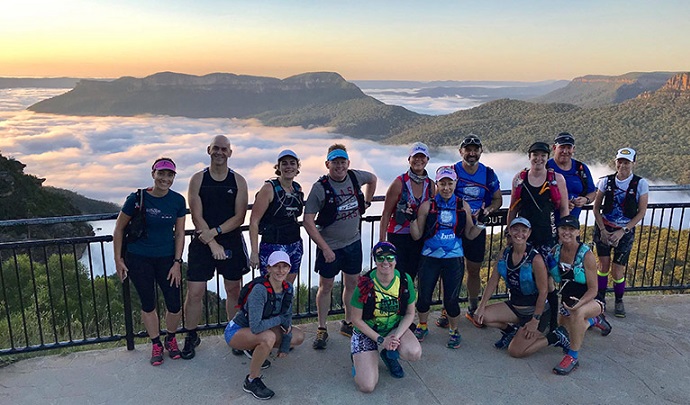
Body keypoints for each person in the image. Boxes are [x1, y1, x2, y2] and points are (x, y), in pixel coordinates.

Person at [508, 216, 612, 376]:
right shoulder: (555, 253)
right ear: (558, 230)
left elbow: (593, 289)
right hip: (567, 301)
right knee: (571, 328)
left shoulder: (586, 255)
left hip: (592, 299)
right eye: (563, 228)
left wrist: (580, 304)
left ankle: (573, 357)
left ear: (578, 232)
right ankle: (594, 321)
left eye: (571, 229)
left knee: (578, 315)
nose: (567, 232)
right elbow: (550, 279)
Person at [181, 135, 250, 359]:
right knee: (195, 293)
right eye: (216, 148)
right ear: (208, 150)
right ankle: (191, 335)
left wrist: (216, 233)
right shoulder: (197, 179)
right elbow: (196, 215)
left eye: (224, 149)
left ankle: (234, 335)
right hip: (203, 242)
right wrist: (212, 242)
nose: (219, 152)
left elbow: (239, 217)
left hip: (229, 240)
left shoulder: (238, 181)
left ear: (230, 153)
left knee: (233, 290)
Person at [113, 157, 186, 366]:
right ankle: (155, 343)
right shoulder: (138, 198)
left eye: (169, 174)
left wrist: (177, 262)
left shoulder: (178, 201)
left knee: (174, 304)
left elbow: (180, 234)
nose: (165, 178)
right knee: (148, 302)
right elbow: (119, 228)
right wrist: (118, 259)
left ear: (174, 177)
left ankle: (171, 339)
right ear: (153, 174)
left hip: (167, 258)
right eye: (161, 173)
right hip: (139, 258)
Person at [303, 144, 377, 349]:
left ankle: (348, 322)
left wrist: (367, 202)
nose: (339, 166)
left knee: (352, 284)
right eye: (335, 162)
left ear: (348, 163)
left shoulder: (355, 177)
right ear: (327, 164)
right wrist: (325, 248)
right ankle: (322, 328)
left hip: (353, 242)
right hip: (331, 246)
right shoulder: (320, 188)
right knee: (326, 286)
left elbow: (372, 178)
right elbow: (308, 221)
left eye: (342, 162)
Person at [409, 166, 483, 349]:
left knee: (451, 298)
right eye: (442, 183)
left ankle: (454, 330)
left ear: (455, 183)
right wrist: (409, 220)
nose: (446, 188)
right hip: (429, 256)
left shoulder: (461, 205)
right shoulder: (428, 205)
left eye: (450, 183)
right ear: (437, 184)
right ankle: (422, 325)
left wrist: (480, 224)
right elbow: (417, 235)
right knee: (424, 295)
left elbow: (469, 233)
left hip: (454, 257)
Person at [225, 251, 305, 400]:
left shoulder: (287, 287)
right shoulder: (260, 290)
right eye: (276, 266)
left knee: (298, 336)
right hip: (236, 331)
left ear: (289, 269)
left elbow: (286, 316)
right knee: (268, 337)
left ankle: (255, 348)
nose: (281, 271)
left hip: (260, 327)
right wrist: (279, 320)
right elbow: (256, 327)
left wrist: (285, 345)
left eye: (285, 267)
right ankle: (251, 380)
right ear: (268, 268)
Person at [508, 141, 569, 331]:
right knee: (522, 277)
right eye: (535, 155)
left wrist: (564, 235)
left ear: (547, 157)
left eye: (543, 155)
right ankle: (526, 319)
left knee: (548, 282)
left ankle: (550, 324)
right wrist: (508, 232)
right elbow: (513, 207)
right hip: (522, 236)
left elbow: (564, 208)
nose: (539, 159)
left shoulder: (556, 179)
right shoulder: (520, 179)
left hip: (547, 237)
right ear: (529, 156)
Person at [446, 134, 502, 329]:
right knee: (450, 269)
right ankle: (447, 308)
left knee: (474, 269)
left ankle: (472, 306)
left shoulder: (488, 174)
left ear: (480, 151)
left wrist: (488, 210)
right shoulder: (452, 171)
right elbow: (441, 193)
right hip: (453, 226)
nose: (471, 153)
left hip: (477, 226)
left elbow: (497, 199)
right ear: (461, 151)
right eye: (467, 149)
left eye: (475, 149)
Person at [350, 241, 421, 392]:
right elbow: (356, 319)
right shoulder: (365, 283)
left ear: (396, 259)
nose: (386, 262)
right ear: (375, 260)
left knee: (414, 352)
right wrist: (381, 340)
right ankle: (358, 360)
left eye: (390, 257)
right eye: (380, 257)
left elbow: (410, 313)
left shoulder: (404, 279)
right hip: (367, 331)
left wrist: (396, 337)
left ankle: (387, 355)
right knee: (367, 386)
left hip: (393, 328)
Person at [474, 217, 549, 350]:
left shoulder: (535, 259)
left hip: (535, 312)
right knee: (482, 316)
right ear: (509, 230)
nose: (519, 234)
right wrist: (482, 305)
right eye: (515, 229)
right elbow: (493, 280)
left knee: (516, 351)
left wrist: (535, 320)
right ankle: (511, 331)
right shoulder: (505, 253)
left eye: (524, 230)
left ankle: (554, 338)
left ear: (529, 233)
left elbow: (544, 291)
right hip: (515, 307)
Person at [592, 148, 649, 318]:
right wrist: (602, 230)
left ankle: (618, 299)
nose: (623, 165)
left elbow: (641, 211)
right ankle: (600, 299)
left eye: (627, 162)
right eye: (620, 161)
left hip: (625, 231)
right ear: (616, 162)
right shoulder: (606, 181)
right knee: (603, 266)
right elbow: (596, 208)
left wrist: (623, 231)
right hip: (604, 228)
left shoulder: (640, 184)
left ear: (633, 163)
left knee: (617, 270)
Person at [379, 142, 435, 281]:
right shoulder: (399, 183)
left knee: (413, 274)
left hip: (419, 236)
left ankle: (409, 301)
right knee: (398, 275)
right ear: (409, 159)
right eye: (415, 157)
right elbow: (386, 213)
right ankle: (399, 302)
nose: (419, 160)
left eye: (422, 157)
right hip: (398, 236)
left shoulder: (431, 185)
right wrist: (382, 242)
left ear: (427, 159)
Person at [249, 149, 304, 286]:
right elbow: (254, 221)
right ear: (278, 167)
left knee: (287, 287)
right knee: (271, 288)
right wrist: (254, 252)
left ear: (297, 167)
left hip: (294, 244)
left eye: (292, 163)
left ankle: (285, 308)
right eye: (284, 164)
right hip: (272, 244)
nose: (288, 167)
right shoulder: (268, 189)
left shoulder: (297, 189)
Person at [546, 132, 596, 222]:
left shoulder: (581, 168)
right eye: (562, 147)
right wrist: (562, 204)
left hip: (571, 227)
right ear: (554, 148)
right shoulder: (545, 167)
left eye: (569, 148)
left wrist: (585, 200)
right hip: (548, 224)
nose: (565, 151)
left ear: (573, 149)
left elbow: (592, 192)